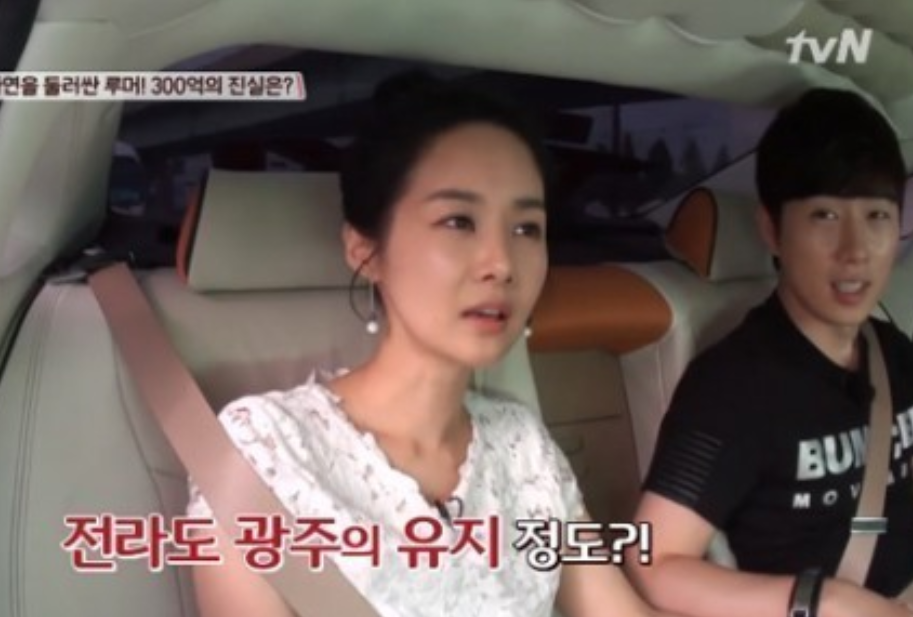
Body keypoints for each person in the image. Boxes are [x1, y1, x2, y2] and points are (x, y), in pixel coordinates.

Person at [186, 73, 669, 617]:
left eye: (526, 228)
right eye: (459, 221)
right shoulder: (266, 449)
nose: (501, 264)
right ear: (365, 250)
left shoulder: (523, 447)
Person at [627, 88, 913, 617]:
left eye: (877, 215)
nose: (855, 250)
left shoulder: (896, 354)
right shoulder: (734, 385)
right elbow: (652, 560)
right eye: (825, 216)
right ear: (771, 229)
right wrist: (822, 602)